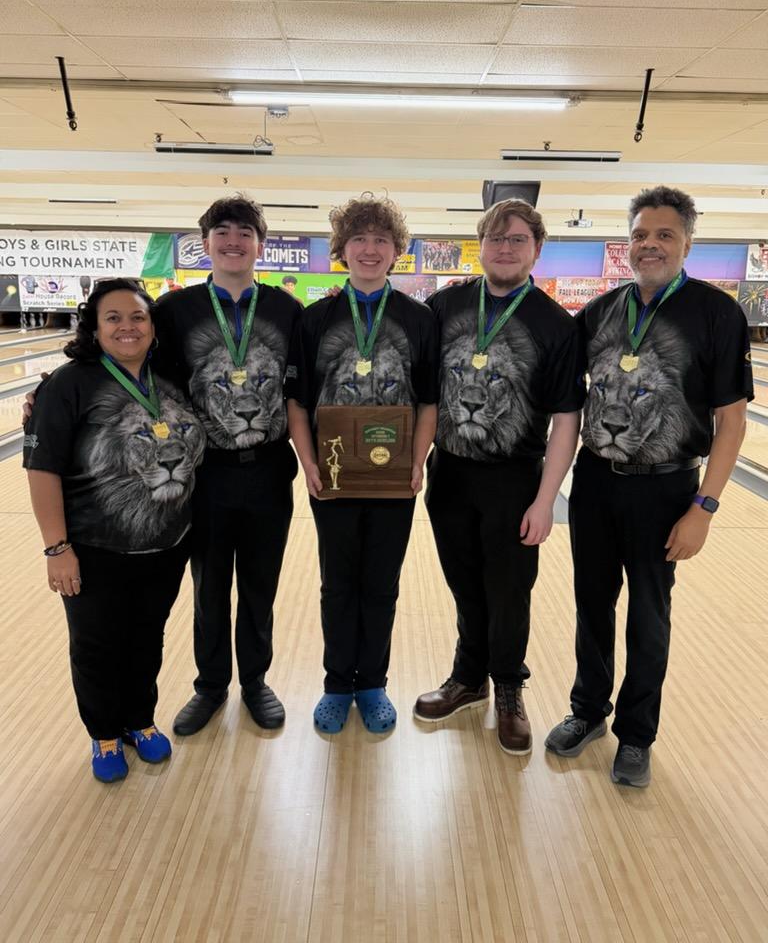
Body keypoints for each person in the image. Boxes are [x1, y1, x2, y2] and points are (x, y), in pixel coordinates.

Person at [545, 186, 753, 787]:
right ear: (627, 244)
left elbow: (732, 420)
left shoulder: (717, 314)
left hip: (665, 491)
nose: (650, 245)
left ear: (688, 242)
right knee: (592, 607)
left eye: (663, 235)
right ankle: (587, 712)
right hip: (595, 484)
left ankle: (637, 735)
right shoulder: (603, 310)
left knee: (650, 615)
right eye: (640, 235)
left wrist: (704, 508)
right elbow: (558, 384)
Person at [413, 198, 584, 756]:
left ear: (537, 248)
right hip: (451, 473)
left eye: (517, 240)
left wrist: (545, 498)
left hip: (515, 478)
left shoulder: (556, 324)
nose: (505, 249)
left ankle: (509, 688)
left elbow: (567, 418)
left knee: (509, 590)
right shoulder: (444, 306)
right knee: (465, 583)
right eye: (496, 239)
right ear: (480, 245)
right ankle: (469, 679)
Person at [23, 278, 205, 782]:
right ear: (95, 327)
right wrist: (56, 548)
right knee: (96, 642)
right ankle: (104, 733)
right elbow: (42, 468)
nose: (128, 327)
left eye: (138, 317)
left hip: (166, 543)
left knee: (147, 636)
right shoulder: (68, 384)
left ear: (152, 325)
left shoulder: (170, 377)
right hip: (93, 545)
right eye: (114, 318)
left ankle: (139, 720)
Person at [287, 194, 438, 734]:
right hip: (332, 476)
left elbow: (428, 401)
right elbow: (298, 402)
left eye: (380, 240)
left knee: (382, 584)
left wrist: (416, 462)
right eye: (359, 239)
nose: (369, 249)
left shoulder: (419, 319)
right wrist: (308, 464)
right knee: (337, 584)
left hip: (394, 480)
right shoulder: (315, 319)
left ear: (396, 251)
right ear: (341, 250)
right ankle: (336, 683)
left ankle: (372, 682)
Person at [153, 195, 302, 736]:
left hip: (268, 469)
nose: (233, 239)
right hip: (206, 473)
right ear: (206, 242)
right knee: (209, 585)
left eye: (244, 230)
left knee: (260, 584)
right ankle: (210, 686)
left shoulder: (287, 311)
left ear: (260, 244)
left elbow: (306, 391)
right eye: (222, 230)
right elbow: (143, 380)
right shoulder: (174, 312)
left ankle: (256, 682)